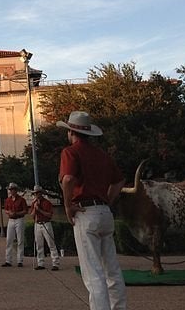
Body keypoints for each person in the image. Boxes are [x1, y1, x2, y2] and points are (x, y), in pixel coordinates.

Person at [58, 111, 127, 310]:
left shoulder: (70, 152)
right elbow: (120, 180)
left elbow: (68, 179)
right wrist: (108, 200)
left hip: (85, 212)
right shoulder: (102, 155)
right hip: (104, 211)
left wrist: (68, 205)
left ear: (71, 132)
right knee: (112, 270)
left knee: (93, 273)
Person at [29, 185, 60, 271]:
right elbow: (31, 215)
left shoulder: (47, 203)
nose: (36, 195)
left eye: (38, 193)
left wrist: (39, 210)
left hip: (46, 223)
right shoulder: (33, 203)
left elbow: (49, 215)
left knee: (51, 244)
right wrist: (35, 209)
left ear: (41, 193)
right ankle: (40, 263)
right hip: (37, 224)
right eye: (35, 193)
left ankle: (55, 263)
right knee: (39, 245)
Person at [2, 182, 27, 267]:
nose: (12, 191)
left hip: (19, 219)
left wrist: (16, 213)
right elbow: (5, 210)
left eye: (13, 189)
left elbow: (25, 211)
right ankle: (8, 260)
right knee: (9, 240)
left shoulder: (21, 200)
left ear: (16, 190)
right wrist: (9, 212)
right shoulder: (8, 200)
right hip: (11, 220)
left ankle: (20, 260)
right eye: (11, 190)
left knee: (20, 240)